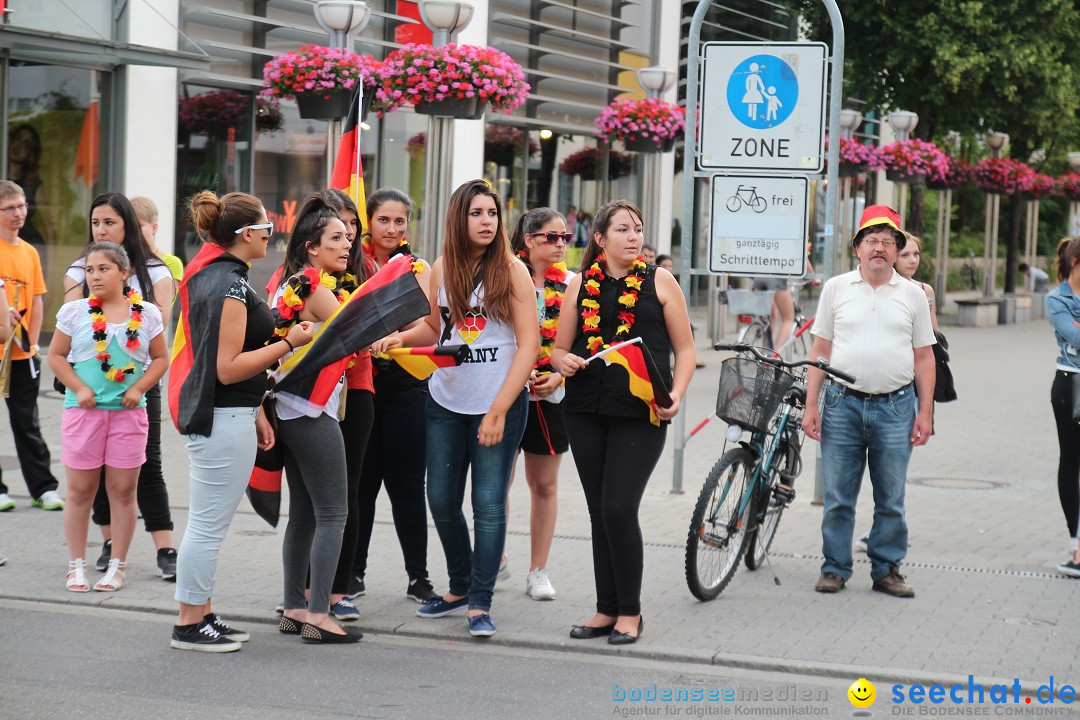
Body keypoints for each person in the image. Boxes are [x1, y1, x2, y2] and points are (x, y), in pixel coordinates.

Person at [374, 179, 539, 638]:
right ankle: (461, 583)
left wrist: (499, 409)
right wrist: (400, 338)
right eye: (477, 213)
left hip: (497, 402)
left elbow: (529, 346)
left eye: (492, 213)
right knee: (442, 500)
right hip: (445, 400)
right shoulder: (443, 267)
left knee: (487, 503)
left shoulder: (513, 270)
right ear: (458, 219)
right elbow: (434, 328)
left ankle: (480, 601)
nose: (487, 221)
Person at [170, 190, 313, 652]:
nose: (273, 235)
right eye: (268, 228)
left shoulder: (220, 275)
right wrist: (289, 342)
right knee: (208, 525)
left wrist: (254, 414)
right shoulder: (228, 282)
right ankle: (189, 623)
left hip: (230, 413)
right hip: (221, 415)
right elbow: (228, 367)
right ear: (247, 233)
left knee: (208, 523)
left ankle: (202, 613)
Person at [552, 200, 695, 645]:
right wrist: (564, 361)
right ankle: (605, 608)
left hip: (641, 409)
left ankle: (630, 612)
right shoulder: (580, 283)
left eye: (637, 229)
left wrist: (676, 395)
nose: (634, 237)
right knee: (599, 513)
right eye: (623, 229)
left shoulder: (661, 281)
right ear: (600, 239)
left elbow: (687, 350)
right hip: (585, 409)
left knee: (618, 507)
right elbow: (557, 350)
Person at [802, 205, 935, 599]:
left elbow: (924, 355)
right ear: (857, 247)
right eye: (872, 241)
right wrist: (812, 405)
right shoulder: (836, 289)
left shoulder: (913, 295)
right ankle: (834, 567)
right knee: (838, 497)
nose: (880, 248)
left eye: (888, 242)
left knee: (891, 498)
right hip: (841, 404)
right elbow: (821, 348)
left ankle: (886, 568)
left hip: (896, 407)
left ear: (897, 250)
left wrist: (924, 411)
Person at [63, 192, 179, 582]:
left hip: (137, 382)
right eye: (96, 222)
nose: (101, 229)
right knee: (90, 475)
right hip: (89, 390)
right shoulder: (81, 270)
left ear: (127, 223)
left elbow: (158, 330)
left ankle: (164, 546)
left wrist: (142, 382)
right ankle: (108, 543)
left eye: (109, 222)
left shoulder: (155, 272)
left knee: (147, 466)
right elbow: (70, 335)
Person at [48, 242, 168, 593]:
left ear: (124, 272)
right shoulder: (75, 313)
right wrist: (78, 387)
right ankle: (76, 564)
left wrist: (139, 388)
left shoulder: (146, 314)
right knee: (80, 491)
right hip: (83, 415)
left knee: (123, 491)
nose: (95, 276)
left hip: (128, 417)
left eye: (103, 269)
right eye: (89, 270)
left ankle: (118, 565)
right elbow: (56, 355)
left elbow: (161, 359)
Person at [270, 193, 361, 644]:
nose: (348, 245)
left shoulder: (290, 284)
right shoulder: (314, 287)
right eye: (337, 238)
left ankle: (293, 606)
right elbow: (360, 326)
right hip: (311, 412)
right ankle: (320, 614)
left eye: (348, 237)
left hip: (289, 411)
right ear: (312, 248)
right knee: (333, 514)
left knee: (304, 514)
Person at [349, 187, 438, 605]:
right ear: (369, 222)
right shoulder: (351, 264)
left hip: (406, 389)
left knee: (406, 487)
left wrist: (396, 336)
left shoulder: (417, 267)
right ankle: (353, 573)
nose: (392, 228)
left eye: (399, 221)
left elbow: (430, 328)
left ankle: (418, 577)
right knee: (361, 487)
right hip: (361, 389)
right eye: (383, 219)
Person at [854, 232, 941, 552]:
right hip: (867, 389)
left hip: (906, 389)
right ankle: (874, 531)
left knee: (890, 472)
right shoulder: (861, 288)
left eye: (916, 254)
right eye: (906, 255)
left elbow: (932, 338)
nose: (912, 260)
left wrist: (926, 408)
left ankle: (880, 533)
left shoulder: (922, 292)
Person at [507, 207, 574, 601]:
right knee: (497, 481)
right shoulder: (504, 278)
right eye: (552, 237)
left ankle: (538, 570)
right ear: (528, 241)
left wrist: (560, 374)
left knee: (544, 484)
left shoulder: (574, 286)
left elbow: (582, 345)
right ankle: (493, 557)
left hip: (551, 397)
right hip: (503, 393)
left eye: (564, 237)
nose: (561, 244)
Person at [0, 179, 62, 513]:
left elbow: (37, 300)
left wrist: (32, 342)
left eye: (22, 205)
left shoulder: (29, 252)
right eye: (9, 207)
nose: (18, 213)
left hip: (21, 351)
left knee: (27, 421)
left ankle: (43, 488)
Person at [1046, 237, 1080, 578]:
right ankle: (1076, 541)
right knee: (1071, 461)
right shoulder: (1056, 299)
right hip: (1071, 383)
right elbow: (1075, 337)